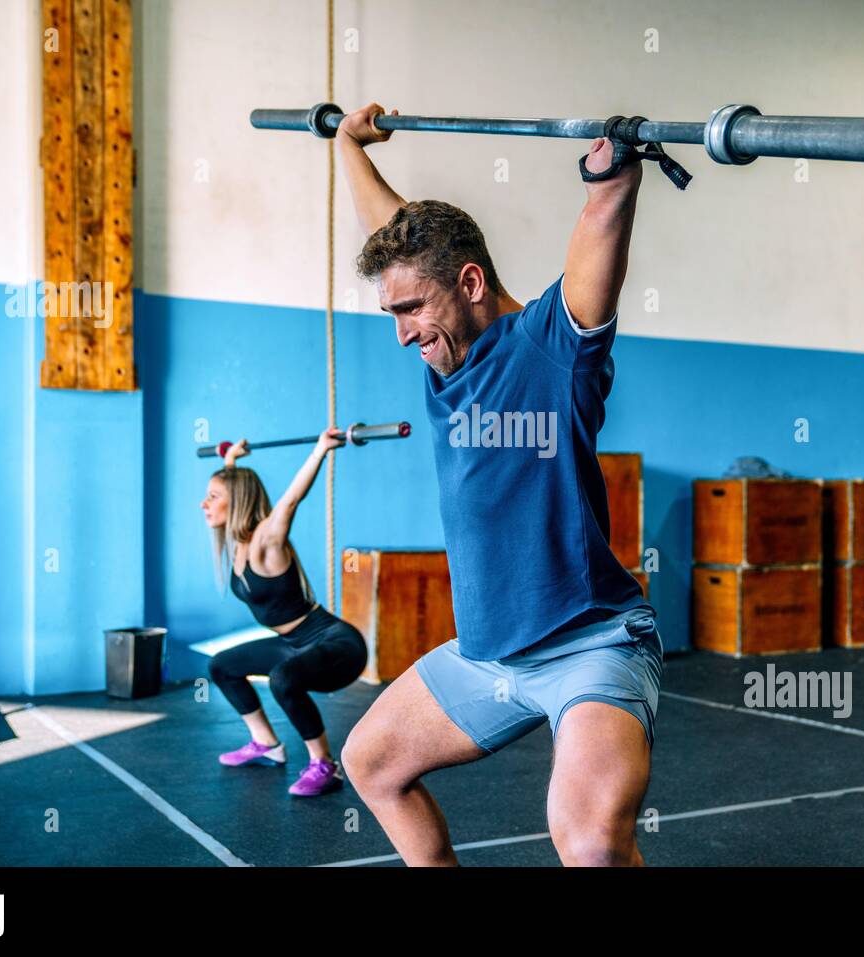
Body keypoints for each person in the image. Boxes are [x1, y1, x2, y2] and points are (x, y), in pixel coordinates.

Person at [335, 103, 663, 864]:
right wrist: (349, 144)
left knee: (586, 836)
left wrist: (609, 178)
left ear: (471, 282)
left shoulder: (550, 348)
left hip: (591, 645)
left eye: (411, 309)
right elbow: (395, 231)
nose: (403, 332)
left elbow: (598, 238)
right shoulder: (444, 350)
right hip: (487, 658)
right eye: (393, 311)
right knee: (370, 761)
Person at [201, 430, 368, 797]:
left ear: (236, 502)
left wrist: (321, 449)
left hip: (337, 645)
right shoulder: (240, 542)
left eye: (213, 497)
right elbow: (236, 487)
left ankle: (325, 765)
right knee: (221, 665)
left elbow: (291, 501)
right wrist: (231, 461)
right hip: (293, 644)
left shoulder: (266, 539)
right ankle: (266, 745)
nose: (204, 504)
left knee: (282, 678)